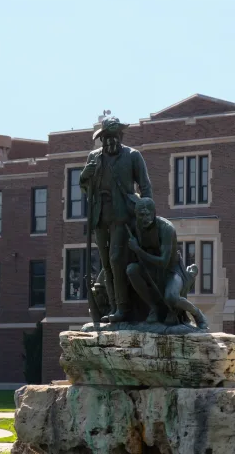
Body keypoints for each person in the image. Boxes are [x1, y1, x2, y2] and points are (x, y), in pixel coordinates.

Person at [79, 116, 152, 323]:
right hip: (100, 216)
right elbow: (85, 186)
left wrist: (148, 214)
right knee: (106, 264)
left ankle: (122, 308)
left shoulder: (133, 156)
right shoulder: (94, 157)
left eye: (115, 136)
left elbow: (145, 187)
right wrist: (86, 174)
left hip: (122, 215)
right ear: (102, 139)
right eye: (107, 137)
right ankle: (112, 307)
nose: (111, 141)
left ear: (120, 136)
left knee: (115, 259)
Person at [126, 197, 208, 329]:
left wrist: (138, 250)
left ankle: (197, 314)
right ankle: (154, 307)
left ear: (154, 213)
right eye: (141, 215)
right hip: (150, 269)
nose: (145, 218)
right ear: (136, 215)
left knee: (171, 297)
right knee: (131, 270)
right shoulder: (134, 228)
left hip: (172, 270)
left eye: (148, 214)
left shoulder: (166, 228)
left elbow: (164, 262)